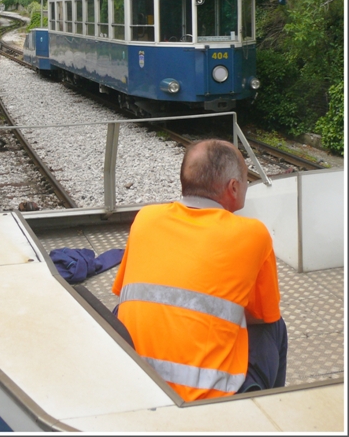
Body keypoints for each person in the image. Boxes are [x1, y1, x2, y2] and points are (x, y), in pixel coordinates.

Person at [112, 139, 287, 402]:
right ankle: (269, 411)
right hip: (206, 397)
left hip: (138, 383)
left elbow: (125, 294)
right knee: (275, 327)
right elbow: (262, 316)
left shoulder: (145, 218)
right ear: (233, 187)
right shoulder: (253, 234)